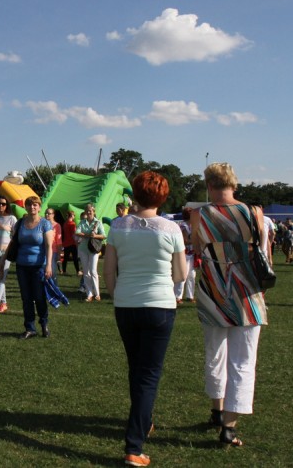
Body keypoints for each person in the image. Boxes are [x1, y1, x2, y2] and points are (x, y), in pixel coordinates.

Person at [104, 171, 186, 467]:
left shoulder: (118, 225)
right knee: (148, 374)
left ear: (135, 194)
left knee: (137, 368)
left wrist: (116, 294)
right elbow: (181, 274)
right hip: (159, 305)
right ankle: (134, 446)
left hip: (126, 304)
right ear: (162, 197)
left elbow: (109, 270)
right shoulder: (171, 228)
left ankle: (143, 420)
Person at [190, 162, 269, 448]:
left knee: (215, 355)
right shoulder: (254, 213)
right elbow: (263, 253)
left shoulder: (199, 215)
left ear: (209, 185)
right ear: (234, 184)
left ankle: (217, 409)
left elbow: (198, 250)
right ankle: (229, 426)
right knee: (244, 361)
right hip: (248, 292)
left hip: (213, 290)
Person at [0, 195, 54, 339]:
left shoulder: (45, 224)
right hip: (22, 265)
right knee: (26, 298)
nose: (32, 207)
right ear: (26, 207)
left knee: (39, 297)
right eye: (29, 205)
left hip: (39, 266)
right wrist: (3, 259)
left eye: (35, 205)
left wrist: (49, 265)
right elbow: (12, 243)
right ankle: (30, 328)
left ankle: (44, 324)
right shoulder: (20, 223)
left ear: (39, 207)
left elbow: (49, 246)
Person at [76, 203, 105, 302]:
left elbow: (103, 236)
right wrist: (88, 235)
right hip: (83, 249)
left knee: (93, 271)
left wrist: (95, 236)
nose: (89, 213)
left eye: (90, 211)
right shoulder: (82, 222)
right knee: (86, 272)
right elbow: (77, 232)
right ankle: (89, 294)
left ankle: (97, 294)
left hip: (93, 249)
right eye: (87, 211)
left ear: (94, 212)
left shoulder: (98, 222)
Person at [173, 207, 196, 304]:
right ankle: (177, 296)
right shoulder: (183, 226)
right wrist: (196, 241)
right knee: (183, 275)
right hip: (184, 253)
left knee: (192, 275)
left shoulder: (192, 225)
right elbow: (185, 241)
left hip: (192, 253)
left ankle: (190, 296)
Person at [45, 208, 63, 280]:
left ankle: (54, 288)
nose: (46, 215)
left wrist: (59, 254)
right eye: (46, 213)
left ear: (53, 215)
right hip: (43, 250)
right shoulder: (43, 223)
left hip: (53, 251)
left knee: (52, 271)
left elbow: (58, 240)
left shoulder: (57, 225)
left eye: (49, 213)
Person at [61, 210, 80, 275]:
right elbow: (74, 234)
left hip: (66, 243)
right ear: (72, 216)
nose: (74, 216)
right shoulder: (72, 224)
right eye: (74, 215)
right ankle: (78, 271)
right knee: (75, 258)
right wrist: (77, 243)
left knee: (65, 258)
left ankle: (64, 271)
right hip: (72, 243)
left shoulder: (65, 223)